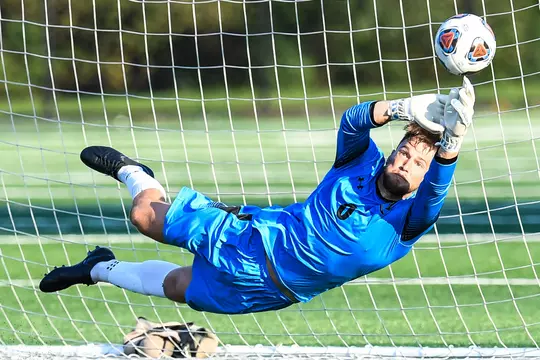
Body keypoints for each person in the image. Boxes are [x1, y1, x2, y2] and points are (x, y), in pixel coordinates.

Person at [40, 77, 475, 315]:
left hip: (269, 292)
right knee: (142, 215)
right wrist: (403, 109)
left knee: (176, 285)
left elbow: (437, 189)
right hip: (250, 238)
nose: (405, 163)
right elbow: (352, 121)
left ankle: (98, 267)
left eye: (418, 163)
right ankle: (136, 173)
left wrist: (452, 141)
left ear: (423, 178)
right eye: (403, 152)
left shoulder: (408, 223)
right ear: (391, 154)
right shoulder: (359, 164)